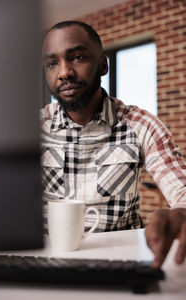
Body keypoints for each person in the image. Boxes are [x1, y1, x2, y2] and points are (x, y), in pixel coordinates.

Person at [41, 20, 186, 268]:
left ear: (103, 65)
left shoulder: (142, 125)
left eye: (77, 57)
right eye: (52, 63)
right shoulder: (33, 128)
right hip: (43, 265)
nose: (64, 72)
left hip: (121, 264)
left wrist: (182, 215)